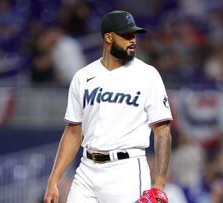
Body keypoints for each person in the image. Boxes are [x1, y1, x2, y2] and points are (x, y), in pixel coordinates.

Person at [43, 10, 173, 203]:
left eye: (134, 34)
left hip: (126, 170)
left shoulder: (147, 75)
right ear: (109, 37)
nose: (133, 40)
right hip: (87, 168)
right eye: (126, 35)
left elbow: (162, 131)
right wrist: (54, 179)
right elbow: (73, 132)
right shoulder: (83, 77)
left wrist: (159, 184)